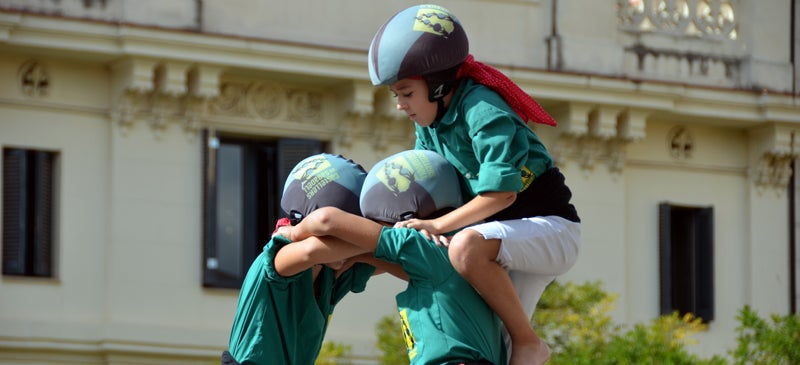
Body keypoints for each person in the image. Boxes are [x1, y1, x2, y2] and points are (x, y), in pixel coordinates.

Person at [367, 4, 582, 365]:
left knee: (463, 246)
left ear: (436, 84)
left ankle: (530, 340)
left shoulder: (483, 108)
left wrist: (436, 225)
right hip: (500, 243)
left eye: (406, 93)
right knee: (493, 349)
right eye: (396, 96)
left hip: (550, 230)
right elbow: (425, 204)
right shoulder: (429, 127)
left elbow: (502, 193)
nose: (401, 106)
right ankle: (524, 347)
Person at [277, 149, 506, 365]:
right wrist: (361, 256)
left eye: (383, 222)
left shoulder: (424, 249)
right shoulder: (444, 258)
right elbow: (389, 263)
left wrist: (297, 232)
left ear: (409, 219)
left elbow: (329, 220)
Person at [223, 153, 394, 365]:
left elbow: (398, 259)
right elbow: (314, 243)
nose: (345, 252)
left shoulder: (333, 271)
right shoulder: (280, 256)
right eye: (340, 239)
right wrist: (384, 235)